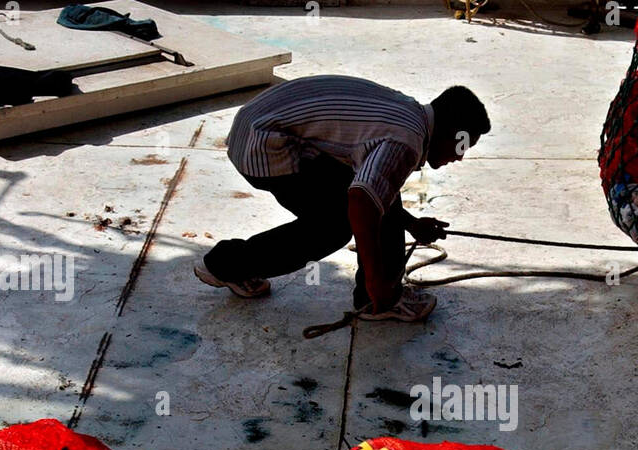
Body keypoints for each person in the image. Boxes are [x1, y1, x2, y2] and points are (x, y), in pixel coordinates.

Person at [195, 75, 490, 322]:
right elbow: (361, 201)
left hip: (263, 123)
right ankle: (226, 266)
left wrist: (410, 224)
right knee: (333, 227)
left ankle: (374, 298)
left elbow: (374, 188)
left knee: (380, 188)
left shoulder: (410, 115)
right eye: (462, 145)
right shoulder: (407, 140)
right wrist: (377, 281)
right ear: (450, 132)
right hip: (264, 143)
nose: (460, 157)